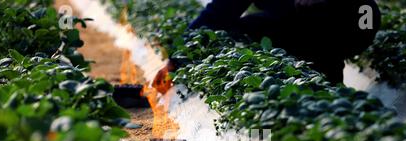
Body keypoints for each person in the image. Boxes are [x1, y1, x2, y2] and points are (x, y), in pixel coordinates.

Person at [153, 0, 381, 88]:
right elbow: (221, 11)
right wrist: (177, 59)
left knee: (241, 31)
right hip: (343, 22)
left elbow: (220, 12)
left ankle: (325, 85)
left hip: (356, 21)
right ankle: (321, 83)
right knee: (241, 29)